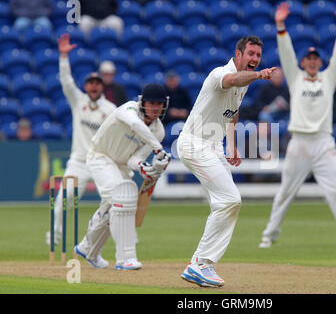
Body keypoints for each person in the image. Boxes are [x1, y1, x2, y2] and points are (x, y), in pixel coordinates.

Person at [259, 2, 336, 249]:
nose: (313, 62)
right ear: (303, 63)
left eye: (316, 59)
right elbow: (286, 53)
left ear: (320, 63)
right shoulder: (295, 79)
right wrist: (281, 26)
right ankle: (268, 235)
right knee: (285, 192)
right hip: (300, 143)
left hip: (324, 142)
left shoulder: (328, 78)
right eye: (309, 59)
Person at [177, 35, 276, 288]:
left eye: (258, 56)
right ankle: (199, 264)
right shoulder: (220, 73)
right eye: (250, 54)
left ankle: (202, 264)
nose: (254, 59)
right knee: (231, 199)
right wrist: (260, 74)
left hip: (213, 146)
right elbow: (232, 80)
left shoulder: (244, 83)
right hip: (194, 143)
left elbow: (233, 113)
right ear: (238, 53)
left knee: (226, 204)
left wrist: (230, 146)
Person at [74, 83, 171, 270]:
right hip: (100, 156)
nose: (155, 108)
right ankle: (125, 258)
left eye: (159, 104)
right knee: (123, 198)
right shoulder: (128, 109)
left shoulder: (158, 131)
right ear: (143, 102)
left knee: (114, 207)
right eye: (151, 103)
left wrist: (144, 167)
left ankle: (88, 249)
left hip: (121, 167)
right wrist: (158, 149)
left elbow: (134, 159)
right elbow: (135, 124)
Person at [45, 34, 117, 260]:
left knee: (111, 205)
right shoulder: (79, 101)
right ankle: (54, 237)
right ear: (86, 87)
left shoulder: (111, 109)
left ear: (102, 87)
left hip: (101, 162)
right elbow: (66, 81)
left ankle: (94, 249)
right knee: (61, 200)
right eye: (90, 84)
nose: (93, 87)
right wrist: (64, 56)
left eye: (97, 84)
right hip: (78, 162)